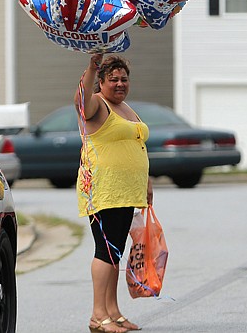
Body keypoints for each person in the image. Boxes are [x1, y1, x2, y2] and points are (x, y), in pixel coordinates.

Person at [74, 53, 153, 333]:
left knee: (115, 252)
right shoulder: (97, 105)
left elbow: (136, 145)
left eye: (124, 79)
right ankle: (98, 315)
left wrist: (146, 180)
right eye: (113, 79)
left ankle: (113, 311)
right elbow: (80, 101)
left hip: (126, 191)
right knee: (105, 250)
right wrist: (92, 66)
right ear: (101, 82)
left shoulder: (126, 108)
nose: (120, 84)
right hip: (103, 189)